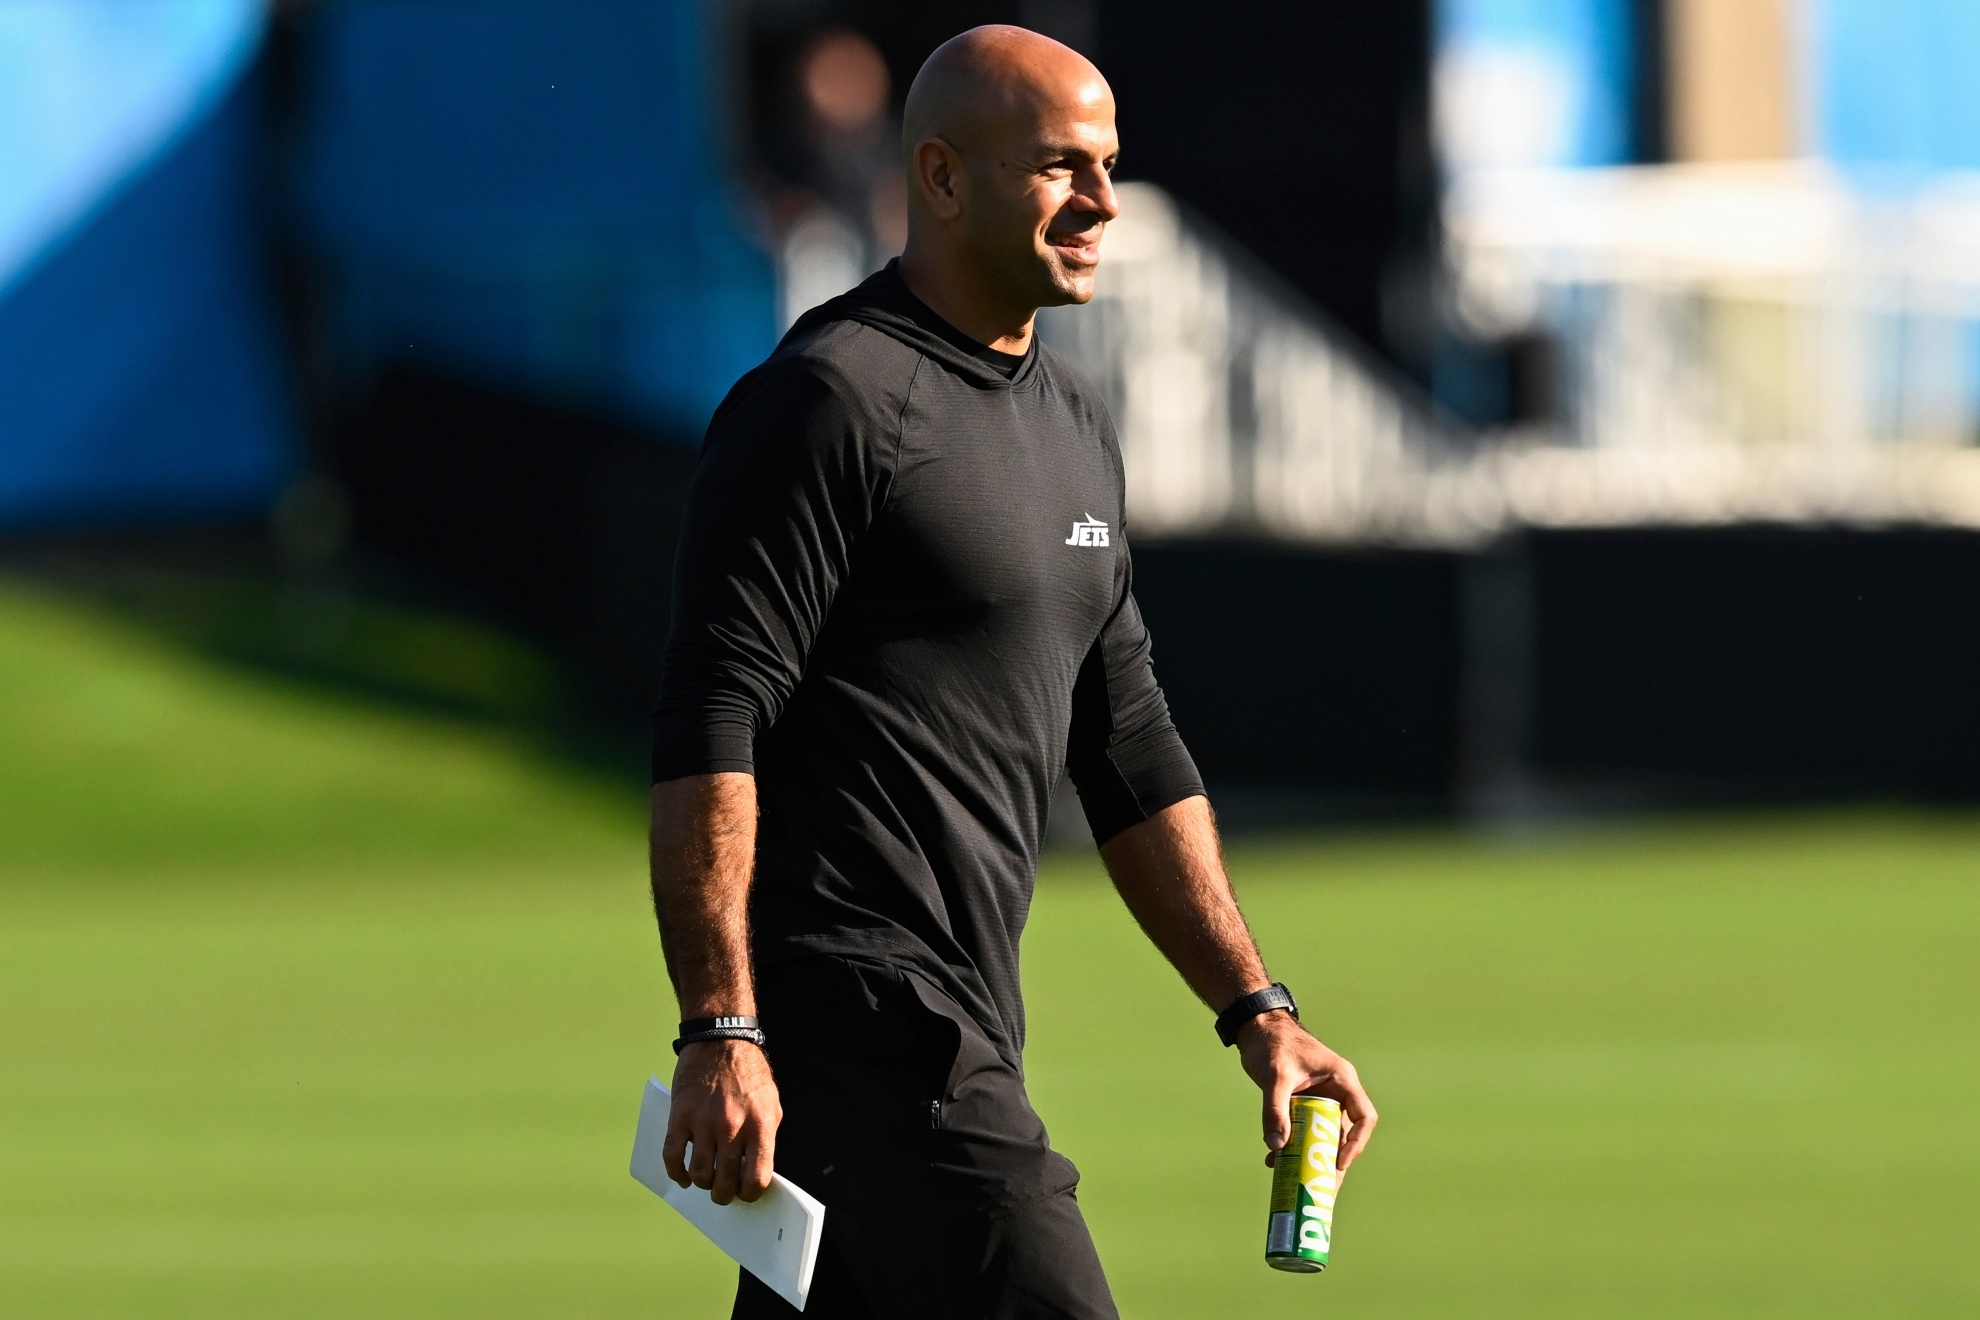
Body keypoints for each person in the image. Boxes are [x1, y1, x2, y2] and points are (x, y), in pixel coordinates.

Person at [649, 24, 1377, 1319]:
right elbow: (715, 715)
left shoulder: (1073, 424)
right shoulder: (831, 402)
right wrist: (721, 1026)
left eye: (1106, 164)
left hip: (967, 1017)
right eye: (1058, 167)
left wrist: (1258, 1009)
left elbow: (1130, 744)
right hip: (865, 1028)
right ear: (940, 178)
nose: (1102, 200)